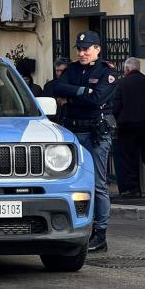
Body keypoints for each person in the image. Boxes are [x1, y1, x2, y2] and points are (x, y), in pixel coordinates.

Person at [51, 31, 120, 253]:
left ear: (98, 49)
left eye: (86, 49)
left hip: (94, 132)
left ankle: (100, 234)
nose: (82, 53)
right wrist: (82, 91)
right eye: (79, 49)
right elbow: (56, 88)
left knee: (97, 184)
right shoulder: (71, 69)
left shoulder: (106, 72)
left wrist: (72, 97)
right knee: (71, 183)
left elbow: (97, 99)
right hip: (73, 131)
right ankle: (72, 230)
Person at [112, 56, 145, 197]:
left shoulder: (122, 84)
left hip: (128, 127)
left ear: (127, 69)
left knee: (129, 157)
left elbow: (116, 107)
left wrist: (120, 120)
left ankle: (134, 189)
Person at [43, 57, 70, 123]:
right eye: (57, 70)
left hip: (69, 120)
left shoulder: (75, 85)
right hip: (52, 121)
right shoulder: (49, 86)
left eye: (62, 71)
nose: (59, 73)